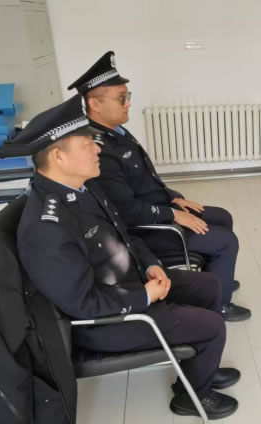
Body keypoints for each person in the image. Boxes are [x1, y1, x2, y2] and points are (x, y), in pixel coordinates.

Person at [5, 94, 240, 419]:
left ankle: (201, 368)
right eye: (87, 144)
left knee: (209, 286)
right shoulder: (46, 227)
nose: (97, 148)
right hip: (107, 321)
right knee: (213, 326)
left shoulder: (84, 188)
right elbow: (83, 304)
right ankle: (191, 398)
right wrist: (144, 295)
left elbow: (124, 235)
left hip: (128, 280)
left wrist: (152, 264)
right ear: (58, 156)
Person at [67, 51, 250, 322]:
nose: (128, 103)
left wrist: (173, 198)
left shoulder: (115, 130)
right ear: (95, 103)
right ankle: (219, 304)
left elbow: (145, 180)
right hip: (146, 228)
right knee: (225, 241)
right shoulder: (99, 149)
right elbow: (126, 210)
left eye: (128, 96)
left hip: (158, 208)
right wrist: (173, 215)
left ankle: (215, 280)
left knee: (222, 216)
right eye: (121, 98)